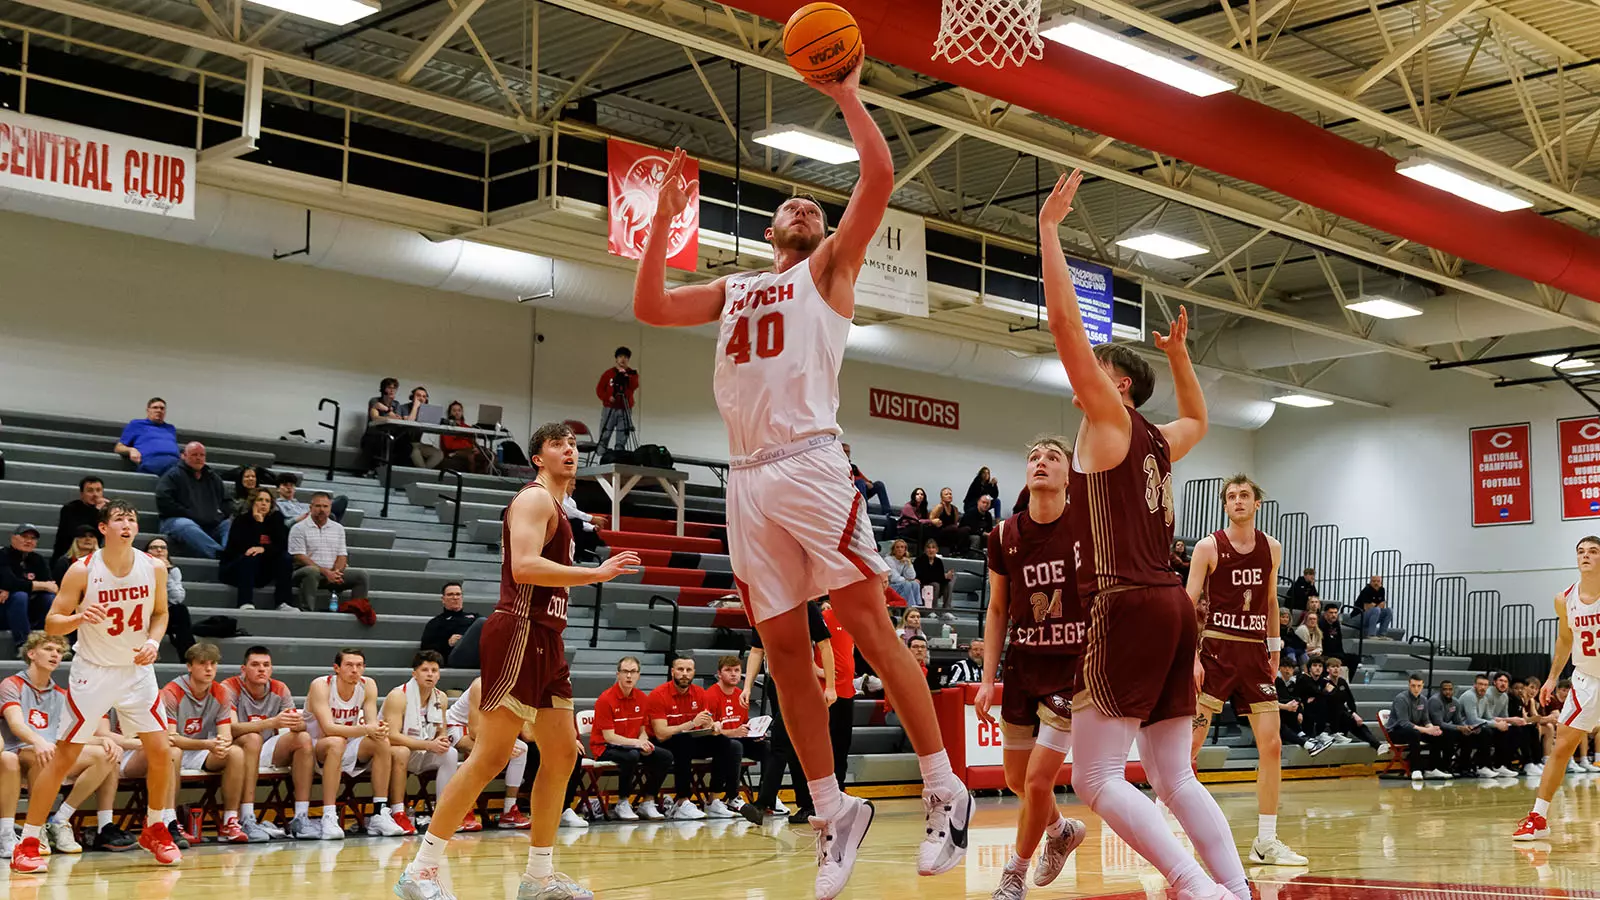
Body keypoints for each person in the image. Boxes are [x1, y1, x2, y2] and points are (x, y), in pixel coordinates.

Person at [632, 57, 971, 899]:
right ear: (769, 228)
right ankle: (831, 811)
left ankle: (943, 786)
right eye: (791, 203)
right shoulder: (738, 285)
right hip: (746, 479)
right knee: (784, 650)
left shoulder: (828, 273)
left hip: (813, 462)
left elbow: (881, 174)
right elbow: (650, 308)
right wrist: (661, 226)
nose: (803, 205)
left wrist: (844, 94)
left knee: (865, 623)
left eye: (814, 206)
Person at [1040, 169, 1243, 900]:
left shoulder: (1111, 421)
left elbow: (1066, 327)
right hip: (1171, 607)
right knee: (1171, 773)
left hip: (1125, 602)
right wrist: (1183, 358)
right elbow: (1201, 422)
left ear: (1118, 384)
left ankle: (1194, 885)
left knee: (1094, 779)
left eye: (1100, 371)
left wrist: (1049, 233)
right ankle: (1235, 889)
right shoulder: (1161, 437)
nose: (1084, 375)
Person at [396, 422, 641, 900]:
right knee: (489, 755)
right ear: (537, 457)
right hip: (519, 631)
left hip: (548, 637)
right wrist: (596, 572)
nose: (569, 450)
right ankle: (421, 870)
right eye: (557, 444)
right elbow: (524, 566)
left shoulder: (559, 506)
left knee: (564, 753)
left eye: (573, 444)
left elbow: (557, 540)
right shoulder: (532, 499)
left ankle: (538, 877)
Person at [9, 500, 181, 873]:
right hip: (94, 672)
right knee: (63, 759)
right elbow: (52, 624)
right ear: (103, 528)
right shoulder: (82, 570)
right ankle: (28, 841)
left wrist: (153, 642)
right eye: (119, 519)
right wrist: (78, 617)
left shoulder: (153, 567)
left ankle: (155, 827)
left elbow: (161, 613)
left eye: (132, 520)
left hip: (136, 671)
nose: (127, 525)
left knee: (161, 749)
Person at [974, 436, 1089, 899]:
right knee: (1016, 781)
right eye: (1033, 458)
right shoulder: (1003, 534)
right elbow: (997, 608)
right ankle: (1061, 830)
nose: (1041, 462)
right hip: (1023, 665)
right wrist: (987, 679)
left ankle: (1014, 874)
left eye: (1052, 457)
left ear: (1067, 477)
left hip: (1072, 667)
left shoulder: (1086, 527)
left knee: (1040, 780)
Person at [1185, 475, 1303, 867]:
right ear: (1225, 505)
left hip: (1254, 655)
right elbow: (1188, 606)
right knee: (1189, 749)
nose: (1238, 501)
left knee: (1272, 746)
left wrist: (1274, 648)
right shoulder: (1207, 547)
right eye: (1231, 496)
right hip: (1216, 651)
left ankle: (1265, 841)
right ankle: (1167, 823)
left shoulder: (1272, 548)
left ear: (1257, 504)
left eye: (1244, 495)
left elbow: (1270, 602)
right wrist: (1193, 658)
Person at [1, 631, 127, 857]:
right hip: (18, 751)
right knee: (46, 754)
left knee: (104, 755)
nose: (55, 655)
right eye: (48, 649)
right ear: (31, 653)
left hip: (50, 752)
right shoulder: (12, 684)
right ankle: (34, 828)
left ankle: (59, 820)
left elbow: (72, 734)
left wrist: (104, 739)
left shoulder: (60, 694)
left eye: (59, 652)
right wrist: (38, 741)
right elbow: (16, 724)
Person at [1515, 536, 1600, 840]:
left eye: (1592, 551)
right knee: (1562, 746)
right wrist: (1552, 678)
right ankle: (1538, 817)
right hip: (1586, 679)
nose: (1585, 556)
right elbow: (1565, 639)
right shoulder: (1564, 598)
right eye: (1581, 552)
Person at [741, 600, 834, 824]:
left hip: (802, 683)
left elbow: (825, 645)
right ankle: (807, 804)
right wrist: (747, 685)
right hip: (776, 682)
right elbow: (756, 650)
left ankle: (763, 802)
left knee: (781, 742)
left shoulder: (806, 607)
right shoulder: (762, 607)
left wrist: (830, 685)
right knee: (792, 746)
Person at [304, 647, 401, 839]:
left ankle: (379, 812)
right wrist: (367, 729)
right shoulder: (321, 685)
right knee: (336, 742)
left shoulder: (368, 685)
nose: (354, 670)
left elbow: (371, 723)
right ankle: (329, 815)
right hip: (314, 748)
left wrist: (379, 729)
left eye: (359, 665)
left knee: (382, 742)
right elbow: (329, 728)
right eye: (349, 665)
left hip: (347, 745)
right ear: (336, 668)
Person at [160, 643, 253, 843]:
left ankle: (230, 820)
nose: (209, 669)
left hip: (200, 749)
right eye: (203, 664)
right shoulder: (171, 692)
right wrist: (209, 745)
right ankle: (171, 820)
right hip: (176, 749)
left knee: (235, 753)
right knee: (173, 751)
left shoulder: (221, 692)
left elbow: (226, 734)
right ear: (189, 666)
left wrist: (221, 744)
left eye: (213, 664)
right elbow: (171, 738)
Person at [220, 646, 315, 841]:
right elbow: (230, 728)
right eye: (255, 665)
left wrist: (298, 724)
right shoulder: (228, 687)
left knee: (303, 739)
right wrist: (270, 723)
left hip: (266, 748)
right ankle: (247, 817)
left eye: (266, 665)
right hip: (234, 748)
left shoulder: (280, 688)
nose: (261, 669)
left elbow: (301, 724)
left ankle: (301, 816)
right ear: (243, 669)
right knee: (253, 738)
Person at [647, 655, 741, 820]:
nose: (684, 673)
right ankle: (682, 801)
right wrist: (691, 723)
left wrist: (714, 726)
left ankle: (713, 800)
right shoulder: (659, 694)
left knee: (726, 743)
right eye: (680, 669)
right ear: (672, 672)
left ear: (694, 673)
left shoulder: (699, 693)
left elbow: (705, 723)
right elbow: (661, 733)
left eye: (688, 670)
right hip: (663, 742)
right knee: (684, 742)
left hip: (688, 740)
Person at [381, 651, 458, 827]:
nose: (430, 674)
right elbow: (391, 736)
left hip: (423, 749)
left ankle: (443, 812)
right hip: (393, 752)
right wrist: (429, 744)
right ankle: (398, 812)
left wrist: (442, 740)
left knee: (450, 753)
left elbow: (442, 731)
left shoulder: (441, 697)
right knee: (401, 752)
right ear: (414, 673)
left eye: (434, 670)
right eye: (425, 670)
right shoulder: (398, 696)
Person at [591, 657, 673, 821]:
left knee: (665, 756)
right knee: (632, 756)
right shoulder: (605, 699)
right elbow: (609, 737)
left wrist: (643, 742)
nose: (629, 676)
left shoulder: (642, 698)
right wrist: (637, 743)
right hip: (605, 747)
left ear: (638, 675)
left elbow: (643, 730)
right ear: (618, 674)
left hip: (631, 746)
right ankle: (622, 801)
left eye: (633, 672)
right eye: (625, 672)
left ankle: (648, 801)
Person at [445, 679, 532, 830]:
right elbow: (474, 731)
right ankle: (462, 811)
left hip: (487, 729)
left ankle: (509, 811)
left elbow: (526, 734)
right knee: (481, 753)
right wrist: (500, 746)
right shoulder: (481, 685)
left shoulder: (519, 689)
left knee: (521, 749)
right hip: (457, 726)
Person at [705, 655, 767, 816]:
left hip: (738, 741)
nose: (733, 674)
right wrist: (733, 733)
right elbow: (708, 730)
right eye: (728, 670)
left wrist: (755, 733)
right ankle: (731, 797)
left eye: (737, 670)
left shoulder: (741, 694)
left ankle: (768, 797)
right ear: (719, 674)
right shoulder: (711, 695)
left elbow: (743, 723)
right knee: (733, 746)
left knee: (768, 748)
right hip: (715, 743)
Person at [288, 494, 371, 613]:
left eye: (325, 506)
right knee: (312, 571)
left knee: (361, 575)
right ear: (310, 507)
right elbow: (299, 557)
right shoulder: (298, 528)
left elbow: (342, 555)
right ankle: (307, 612)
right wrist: (326, 572)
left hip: (331, 573)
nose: (322, 509)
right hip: (304, 571)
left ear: (330, 508)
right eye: (318, 506)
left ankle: (357, 611)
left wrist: (335, 573)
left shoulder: (338, 528)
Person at [219, 488, 294, 611]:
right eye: (260, 500)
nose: (264, 503)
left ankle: (283, 603)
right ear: (253, 503)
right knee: (252, 555)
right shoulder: (241, 520)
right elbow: (242, 548)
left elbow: (281, 546)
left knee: (285, 558)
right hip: (236, 568)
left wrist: (263, 549)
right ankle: (245, 602)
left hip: (261, 570)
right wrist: (258, 524)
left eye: (267, 501)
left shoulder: (276, 520)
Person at [154, 442, 232, 560]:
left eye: (202, 455)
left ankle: (231, 552)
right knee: (186, 525)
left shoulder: (213, 477)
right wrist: (190, 514)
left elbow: (226, 501)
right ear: (184, 456)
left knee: (229, 524)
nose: (198, 458)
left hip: (210, 524)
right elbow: (164, 502)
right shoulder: (173, 475)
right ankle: (220, 555)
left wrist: (220, 516)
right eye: (194, 454)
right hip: (175, 521)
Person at [4, 525, 57, 657]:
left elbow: (52, 586)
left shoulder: (37, 559)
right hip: (5, 610)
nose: (28, 541)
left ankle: (50, 643)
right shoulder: (2, 555)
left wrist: (15, 587)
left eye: (33, 538)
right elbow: (9, 582)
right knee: (19, 596)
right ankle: (24, 644)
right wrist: (41, 585)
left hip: (30, 611)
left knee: (49, 598)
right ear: (13, 537)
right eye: (24, 536)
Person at [1388, 673, 1451, 781]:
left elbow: (1425, 720)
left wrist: (1432, 729)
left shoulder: (1423, 699)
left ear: (1423, 686)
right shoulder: (1401, 699)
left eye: (1419, 686)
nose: (1416, 689)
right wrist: (1426, 730)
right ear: (1409, 685)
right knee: (1414, 733)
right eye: (1413, 686)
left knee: (1438, 734)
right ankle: (1415, 769)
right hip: (1396, 732)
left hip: (1415, 730)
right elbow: (1404, 723)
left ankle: (1432, 769)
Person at [144, 539, 194, 658]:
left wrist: (166, 573)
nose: (159, 550)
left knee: (180, 610)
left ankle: (190, 658)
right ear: (146, 552)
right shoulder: (139, 569)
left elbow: (177, 598)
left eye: (163, 547)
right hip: (143, 613)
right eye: (154, 547)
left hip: (164, 614)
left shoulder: (173, 571)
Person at [1322, 658, 1382, 751]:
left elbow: (1350, 700)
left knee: (1359, 724)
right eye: (1333, 667)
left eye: (1338, 667)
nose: (1336, 669)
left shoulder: (1342, 682)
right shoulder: (1324, 682)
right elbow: (1332, 701)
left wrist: (1354, 712)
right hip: (1330, 715)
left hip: (1343, 714)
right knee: (1347, 717)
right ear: (1327, 669)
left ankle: (1377, 745)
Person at [115, 398, 181, 475]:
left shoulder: (170, 428)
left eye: (162, 408)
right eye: (155, 407)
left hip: (175, 464)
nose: (159, 410)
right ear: (148, 410)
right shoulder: (136, 424)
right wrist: (131, 450)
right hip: (152, 463)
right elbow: (118, 448)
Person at [51, 476, 106, 562]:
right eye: (90, 491)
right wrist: (97, 512)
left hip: (92, 559)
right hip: (67, 558)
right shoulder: (70, 509)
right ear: (81, 493)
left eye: (98, 490)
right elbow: (80, 532)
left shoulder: (103, 511)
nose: (95, 494)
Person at [420, 582, 480, 661]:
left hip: (477, 653)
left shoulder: (474, 617)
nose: (455, 597)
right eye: (450, 594)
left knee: (484, 622)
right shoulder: (436, 623)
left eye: (458, 594)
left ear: (462, 598)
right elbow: (426, 649)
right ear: (443, 599)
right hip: (453, 656)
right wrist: (448, 643)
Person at [596, 347, 640, 454]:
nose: (623, 360)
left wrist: (626, 375)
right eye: (620, 357)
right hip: (609, 408)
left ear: (628, 360)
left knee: (622, 436)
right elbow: (599, 389)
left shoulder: (632, 374)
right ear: (616, 359)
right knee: (605, 434)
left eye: (625, 357)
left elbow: (634, 386)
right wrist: (608, 397)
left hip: (625, 408)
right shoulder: (608, 373)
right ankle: (601, 457)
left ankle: (619, 457)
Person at [1426, 680, 1474, 776]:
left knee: (1468, 736)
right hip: (1431, 731)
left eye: (1450, 689)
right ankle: (1443, 767)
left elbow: (1458, 721)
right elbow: (1439, 723)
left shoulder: (1455, 702)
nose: (1448, 692)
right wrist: (1459, 728)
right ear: (1440, 690)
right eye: (1445, 689)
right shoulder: (1435, 701)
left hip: (1445, 730)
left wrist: (1466, 728)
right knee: (1448, 736)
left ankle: (1463, 767)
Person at [362, 377, 410, 468]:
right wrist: (388, 414)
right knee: (375, 442)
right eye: (389, 388)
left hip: (391, 434)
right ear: (383, 389)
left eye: (394, 388)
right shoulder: (375, 401)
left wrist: (387, 412)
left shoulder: (396, 404)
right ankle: (372, 470)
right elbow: (375, 418)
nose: (392, 391)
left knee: (406, 445)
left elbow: (398, 419)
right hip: (375, 433)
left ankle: (398, 471)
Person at [440, 401, 491, 474]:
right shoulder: (447, 427)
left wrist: (477, 448)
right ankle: (471, 479)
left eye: (459, 410)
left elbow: (473, 442)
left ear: (462, 412)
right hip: (455, 452)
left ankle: (487, 477)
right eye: (454, 410)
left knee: (489, 454)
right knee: (471, 455)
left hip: (470, 449)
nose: (457, 413)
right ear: (450, 413)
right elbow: (449, 446)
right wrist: (468, 447)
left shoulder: (468, 427)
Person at [843, 443, 891, 517]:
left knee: (879, 484)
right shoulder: (838, 466)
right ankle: (865, 511)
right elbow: (846, 478)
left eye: (848, 451)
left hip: (860, 492)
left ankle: (887, 512)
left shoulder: (853, 467)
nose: (847, 453)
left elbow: (862, 477)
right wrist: (863, 482)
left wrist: (868, 482)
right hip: (849, 493)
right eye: (845, 451)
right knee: (860, 482)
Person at [914, 540, 955, 621]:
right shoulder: (919, 560)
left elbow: (940, 578)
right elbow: (922, 577)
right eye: (928, 547)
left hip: (936, 586)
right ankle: (931, 611)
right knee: (935, 584)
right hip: (923, 586)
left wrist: (947, 577)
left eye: (933, 547)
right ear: (925, 549)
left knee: (948, 584)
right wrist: (941, 576)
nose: (931, 550)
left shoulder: (938, 561)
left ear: (937, 550)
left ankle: (946, 610)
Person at [930, 487, 968, 556]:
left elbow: (955, 523)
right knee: (953, 528)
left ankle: (959, 552)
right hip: (941, 531)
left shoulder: (955, 509)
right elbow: (930, 520)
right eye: (946, 494)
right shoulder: (939, 507)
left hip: (952, 530)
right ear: (942, 497)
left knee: (966, 529)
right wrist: (935, 521)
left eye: (950, 494)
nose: (949, 496)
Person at [882, 539, 920, 606]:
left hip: (901, 584)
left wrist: (909, 563)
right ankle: (910, 606)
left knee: (915, 584)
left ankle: (917, 605)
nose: (900, 549)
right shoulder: (888, 559)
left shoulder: (905, 560)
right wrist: (906, 580)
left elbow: (912, 576)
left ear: (905, 550)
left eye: (902, 547)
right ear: (893, 550)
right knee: (907, 584)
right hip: (890, 586)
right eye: (897, 547)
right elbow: (894, 578)